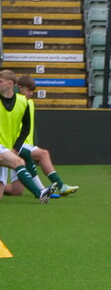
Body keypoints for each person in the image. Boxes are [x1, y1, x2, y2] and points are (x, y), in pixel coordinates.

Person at [2, 76, 80, 198]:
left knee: (16, 191)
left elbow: (28, 127)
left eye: (32, 91)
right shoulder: (12, 100)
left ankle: (46, 189)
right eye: (29, 90)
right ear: (18, 87)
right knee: (39, 154)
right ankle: (48, 189)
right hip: (12, 144)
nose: (31, 94)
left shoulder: (28, 103)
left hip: (21, 143)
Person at [0, 70, 55, 204]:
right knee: (19, 162)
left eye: (0, 81)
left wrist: (14, 149)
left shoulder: (22, 102)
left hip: (7, 148)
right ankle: (40, 193)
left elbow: (26, 129)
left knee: (13, 192)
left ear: (10, 84)